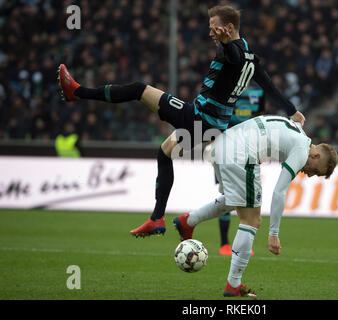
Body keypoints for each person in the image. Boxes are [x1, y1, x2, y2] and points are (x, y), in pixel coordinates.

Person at [57, 5, 305, 238]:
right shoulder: (251, 57)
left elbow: (233, 55)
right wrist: (292, 110)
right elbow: (269, 86)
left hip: (199, 119)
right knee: (165, 152)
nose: (210, 32)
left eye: (214, 27)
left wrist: (227, 42)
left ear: (228, 28)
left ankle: (77, 92)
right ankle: (157, 219)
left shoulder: (234, 52)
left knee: (138, 89)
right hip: (211, 125)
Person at [173, 115, 338, 297]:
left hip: (221, 145)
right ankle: (233, 285)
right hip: (241, 154)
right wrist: (273, 234)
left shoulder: (298, 132)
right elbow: (279, 192)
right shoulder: (301, 151)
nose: (309, 174)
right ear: (316, 155)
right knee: (252, 220)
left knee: (235, 199)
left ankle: (188, 221)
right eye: (315, 171)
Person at [217, 83, 264, 255]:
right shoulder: (227, 92)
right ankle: (224, 244)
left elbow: (260, 121)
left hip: (249, 152)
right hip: (225, 150)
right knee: (227, 196)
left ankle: (243, 244)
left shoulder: (258, 94)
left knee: (245, 197)